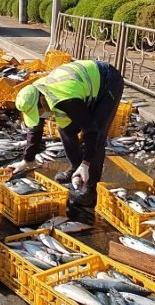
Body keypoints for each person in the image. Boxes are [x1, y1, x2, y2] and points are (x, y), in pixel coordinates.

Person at [12, 59, 124, 214]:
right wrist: (27, 160)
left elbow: (91, 130)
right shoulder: (38, 91)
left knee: (97, 136)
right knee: (65, 130)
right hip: (83, 88)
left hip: (108, 82)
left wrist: (86, 163)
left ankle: (90, 190)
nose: (40, 117)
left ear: (41, 102)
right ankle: (75, 168)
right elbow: (36, 128)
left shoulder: (65, 99)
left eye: (36, 112)